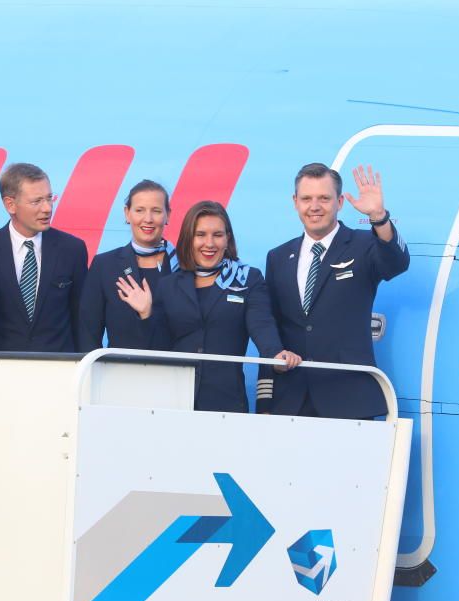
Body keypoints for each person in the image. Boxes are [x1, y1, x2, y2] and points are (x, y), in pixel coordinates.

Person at [117, 200, 300, 413]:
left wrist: (275, 355)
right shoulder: (169, 284)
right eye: (201, 235)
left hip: (226, 402)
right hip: (173, 402)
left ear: (227, 239)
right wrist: (146, 313)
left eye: (217, 235)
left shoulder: (248, 279)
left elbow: (262, 324)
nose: (209, 243)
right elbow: (158, 344)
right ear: (189, 238)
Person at [260, 163, 410, 419]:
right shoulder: (278, 256)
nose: (314, 206)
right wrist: (265, 401)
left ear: (339, 202)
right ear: (295, 202)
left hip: (349, 399)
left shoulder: (364, 244)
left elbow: (397, 262)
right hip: (290, 400)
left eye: (324, 198)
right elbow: (270, 323)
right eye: (306, 198)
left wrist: (379, 217)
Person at [0, 163, 88, 352]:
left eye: (49, 198)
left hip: (58, 367)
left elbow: (81, 317)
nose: (47, 208)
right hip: (1, 367)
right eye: (36, 201)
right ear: (10, 205)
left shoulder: (72, 249)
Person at [77, 179, 178, 352]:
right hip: (118, 374)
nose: (148, 219)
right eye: (139, 210)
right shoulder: (105, 266)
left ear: (167, 214)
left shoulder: (183, 265)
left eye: (156, 211)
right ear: (127, 213)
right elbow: (88, 333)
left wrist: (148, 312)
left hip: (176, 373)